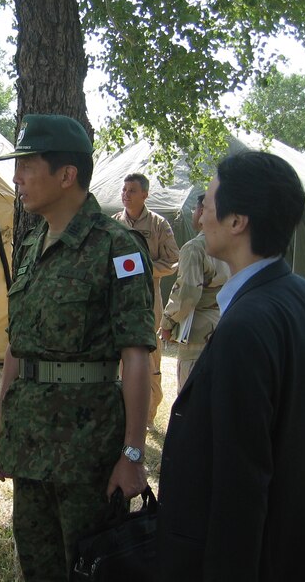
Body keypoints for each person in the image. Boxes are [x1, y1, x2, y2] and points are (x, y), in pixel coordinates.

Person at [0, 114, 155, 581]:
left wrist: (133, 454)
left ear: (66, 174)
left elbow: (136, 353)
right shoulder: (33, 244)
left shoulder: (115, 247)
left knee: (89, 567)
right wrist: (1, 427)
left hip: (88, 452)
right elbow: (17, 349)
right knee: (36, 567)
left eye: (27, 166)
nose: (16, 178)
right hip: (31, 447)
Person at [156, 151, 305, 581]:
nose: (200, 220)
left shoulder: (247, 325)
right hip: (293, 547)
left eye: (211, 205)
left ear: (238, 221)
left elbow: (241, 484)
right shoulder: (304, 295)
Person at [113, 173, 179, 427]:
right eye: (124, 189)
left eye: (132, 190)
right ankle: (120, 413)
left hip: (148, 300)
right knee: (119, 356)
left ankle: (148, 414)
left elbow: (173, 260)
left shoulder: (159, 225)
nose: (126, 194)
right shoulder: (114, 223)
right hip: (118, 300)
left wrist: (142, 268)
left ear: (145, 195)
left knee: (149, 357)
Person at [157, 194, 229, 391]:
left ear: (203, 212)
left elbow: (187, 294)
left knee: (192, 397)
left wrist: (167, 323)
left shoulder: (195, 248)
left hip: (198, 332)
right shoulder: (234, 246)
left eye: (196, 210)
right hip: (228, 326)